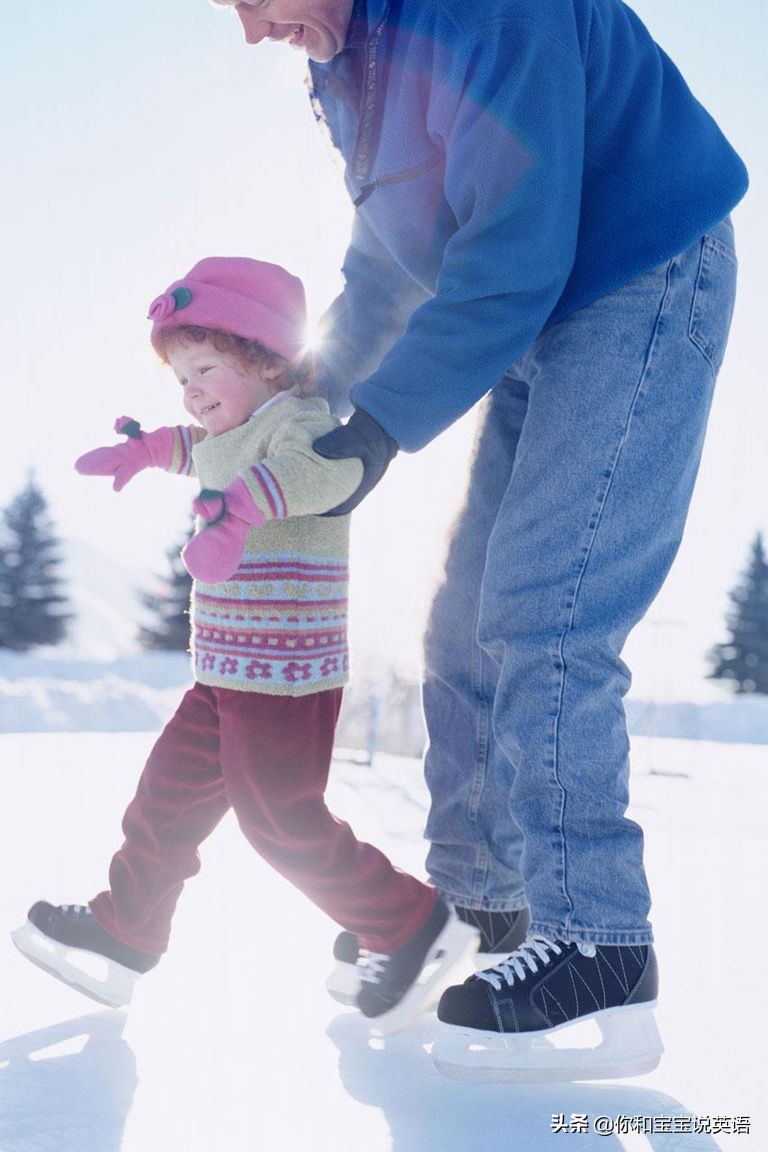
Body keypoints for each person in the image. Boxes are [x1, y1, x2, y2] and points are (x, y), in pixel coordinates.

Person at [215, 1, 749, 1079]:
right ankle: (484, 907)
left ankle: (599, 942)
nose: (250, 30)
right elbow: (385, 265)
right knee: (461, 624)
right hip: (539, 317)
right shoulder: (349, 57)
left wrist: (375, 433)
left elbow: (512, 248)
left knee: (548, 607)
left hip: (637, 276)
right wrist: (312, 418)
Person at [11, 256, 480, 1035]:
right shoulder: (229, 431)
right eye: (180, 377)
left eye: (205, 368)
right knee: (162, 802)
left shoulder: (299, 423)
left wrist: (243, 508)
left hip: (287, 679)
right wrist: (146, 450)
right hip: (223, 674)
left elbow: (318, 477)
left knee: (282, 821)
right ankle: (125, 930)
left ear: (265, 359)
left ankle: (412, 924)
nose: (191, 392)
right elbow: (195, 449)